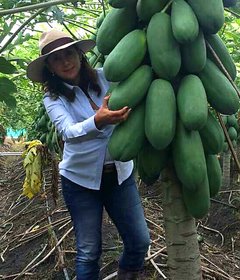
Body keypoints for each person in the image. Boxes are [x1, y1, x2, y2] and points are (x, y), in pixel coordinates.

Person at [27, 29, 150, 280]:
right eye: (56, 59)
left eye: (69, 53)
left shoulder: (108, 77)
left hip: (120, 176)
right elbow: (67, 131)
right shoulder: (53, 99)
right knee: (88, 252)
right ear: (49, 67)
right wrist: (98, 121)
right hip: (79, 181)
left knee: (139, 241)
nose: (65, 61)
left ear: (80, 55)